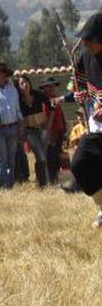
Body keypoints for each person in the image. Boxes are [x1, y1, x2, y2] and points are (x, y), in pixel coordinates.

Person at [69, 12, 102, 228]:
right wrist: (79, 93)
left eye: (89, 39)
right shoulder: (86, 57)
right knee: (80, 163)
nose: (85, 43)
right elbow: (78, 82)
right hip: (96, 126)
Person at [0, 60, 23, 188]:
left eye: (0, 73)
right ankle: (0, 186)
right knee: (0, 159)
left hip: (13, 126)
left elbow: (17, 109)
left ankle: (10, 186)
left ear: (4, 74)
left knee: (11, 159)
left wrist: (20, 126)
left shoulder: (12, 89)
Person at [17, 74, 49, 187]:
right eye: (21, 83)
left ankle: (41, 181)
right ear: (19, 87)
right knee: (40, 155)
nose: (25, 85)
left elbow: (52, 107)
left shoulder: (38, 95)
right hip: (29, 131)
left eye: (26, 82)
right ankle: (43, 183)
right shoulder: (18, 101)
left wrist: (48, 125)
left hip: (42, 129)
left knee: (42, 156)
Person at [40, 78, 66, 184]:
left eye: (53, 86)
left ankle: (58, 178)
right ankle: (52, 179)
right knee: (51, 157)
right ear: (44, 88)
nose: (52, 88)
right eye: (49, 86)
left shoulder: (55, 99)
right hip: (52, 132)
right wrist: (49, 135)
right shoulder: (45, 101)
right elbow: (46, 119)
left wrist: (64, 130)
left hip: (59, 131)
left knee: (58, 156)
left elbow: (61, 115)